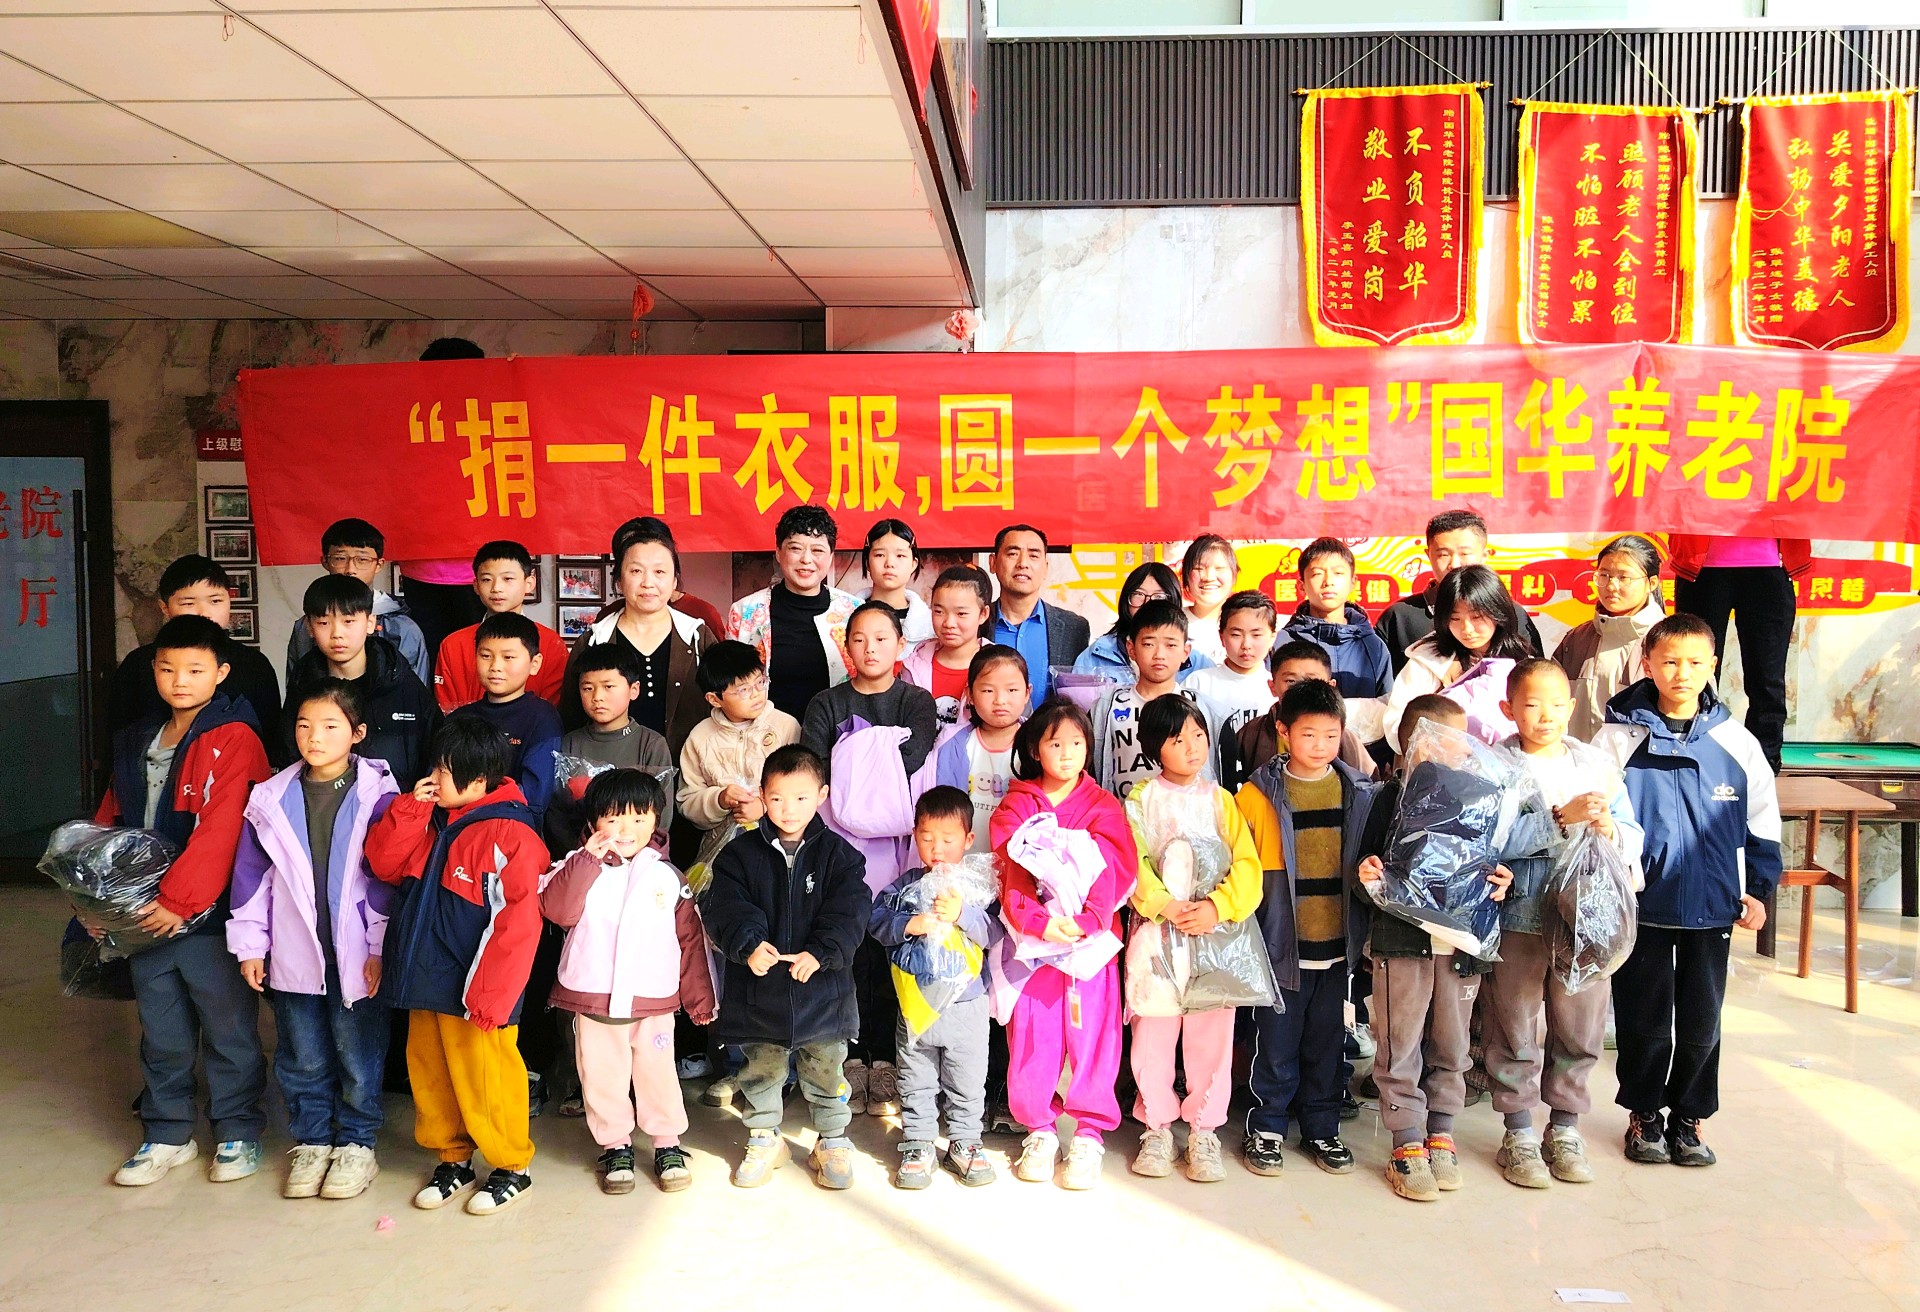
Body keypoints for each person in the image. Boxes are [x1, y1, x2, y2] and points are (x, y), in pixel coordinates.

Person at [95, 615, 272, 1188]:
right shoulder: (138, 737)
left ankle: (237, 1130)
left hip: (207, 916)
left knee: (228, 1029)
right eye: (168, 669)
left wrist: (179, 900)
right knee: (161, 1030)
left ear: (221, 673)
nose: (179, 681)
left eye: (195, 670)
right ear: (153, 670)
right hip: (143, 914)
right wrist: (99, 903)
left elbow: (223, 829)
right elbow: (111, 820)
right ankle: (168, 1132)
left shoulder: (234, 737)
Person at [1599, 614, 1781, 1169]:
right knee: (1643, 1019)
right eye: (1669, 661)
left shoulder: (1736, 741)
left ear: (1713, 666)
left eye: (1695, 662)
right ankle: (1644, 1115)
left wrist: (1758, 889)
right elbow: (1598, 818)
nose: (1682, 673)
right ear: (1647, 664)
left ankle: (1689, 1117)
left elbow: (1762, 822)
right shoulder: (1616, 739)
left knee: (1703, 1021)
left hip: (1713, 905)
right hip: (1641, 904)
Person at [365, 716, 548, 1216]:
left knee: (487, 1075)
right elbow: (383, 864)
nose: (435, 778)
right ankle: (452, 1158)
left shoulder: (512, 834)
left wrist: (493, 995)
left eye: (446, 771)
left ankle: (512, 1166)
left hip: (476, 987)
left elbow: (518, 924)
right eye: (435, 767)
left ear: (480, 778)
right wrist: (411, 809)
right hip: (424, 977)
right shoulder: (431, 819)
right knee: (431, 1074)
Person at [227, 680, 399, 1200]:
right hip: (295, 951)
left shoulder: (379, 796)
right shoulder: (270, 797)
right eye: (304, 726)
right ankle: (313, 1141)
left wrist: (378, 948)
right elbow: (250, 878)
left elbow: (386, 880)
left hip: (356, 954)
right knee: (302, 1055)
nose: (314, 737)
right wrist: (251, 945)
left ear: (357, 733)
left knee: (358, 1056)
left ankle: (358, 1144)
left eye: (329, 726)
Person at [1488, 659, 1642, 1190]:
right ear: (1508, 709)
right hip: (1520, 915)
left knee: (1580, 1026)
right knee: (1514, 1024)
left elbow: (1632, 831)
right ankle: (1518, 1132)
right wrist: (1559, 819)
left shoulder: (1595, 764)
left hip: (1586, 919)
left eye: (1556, 704)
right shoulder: (1495, 765)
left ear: (1572, 707)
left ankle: (1565, 1127)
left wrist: (1609, 828)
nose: (1545, 715)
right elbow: (1489, 837)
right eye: (1531, 704)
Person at [1354, 694, 1513, 1202]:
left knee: (1452, 1042)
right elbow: (1364, 865)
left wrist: (1504, 881)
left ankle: (1441, 1132)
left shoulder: (1483, 797)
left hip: (1460, 945)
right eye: (1451, 741)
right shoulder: (1390, 797)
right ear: (1416, 745)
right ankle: (1405, 1140)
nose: (1462, 751)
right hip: (1402, 944)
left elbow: (1496, 862)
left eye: (1464, 742)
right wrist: (1368, 874)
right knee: (1398, 1042)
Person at [701, 745, 873, 1191]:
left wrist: (822, 952)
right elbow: (726, 905)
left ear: (822, 795)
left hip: (823, 990)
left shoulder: (840, 855)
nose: (788, 809)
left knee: (827, 1069)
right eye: (777, 798)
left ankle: (832, 1140)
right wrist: (748, 945)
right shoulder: (739, 855)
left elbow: (850, 911)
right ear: (762, 795)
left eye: (801, 798)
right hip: (760, 990)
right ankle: (764, 1137)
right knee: (760, 1067)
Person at [540, 769, 717, 1196]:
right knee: (601, 1076)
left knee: (658, 1074)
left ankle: (666, 1142)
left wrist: (698, 998)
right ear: (594, 821)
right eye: (614, 818)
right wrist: (586, 860)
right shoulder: (575, 866)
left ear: (656, 820)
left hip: (652, 1001)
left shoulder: (668, 877)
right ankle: (615, 1145)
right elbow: (557, 910)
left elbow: (690, 941)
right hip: (594, 999)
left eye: (639, 818)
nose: (626, 829)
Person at [1235, 678, 1380, 1178]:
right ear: (1283, 731)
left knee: (1326, 1044)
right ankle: (1267, 1126)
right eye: (1308, 735)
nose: (1320, 746)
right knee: (1275, 1044)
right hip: (1281, 948)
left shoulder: (1358, 793)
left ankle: (1322, 1127)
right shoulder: (1256, 796)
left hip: (1336, 950)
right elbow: (1244, 870)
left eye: (1331, 736)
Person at [992, 698, 1138, 1191]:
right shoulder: (1017, 805)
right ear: (1035, 749)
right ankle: (1039, 1128)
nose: (1068, 753)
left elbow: (1117, 868)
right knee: (1034, 1036)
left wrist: (1090, 919)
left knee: (1092, 1035)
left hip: (1089, 946)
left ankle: (1090, 1133)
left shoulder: (1102, 805)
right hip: (1035, 945)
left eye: (1077, 743)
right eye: (1056, 744)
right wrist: (1038, 922)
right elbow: (1011, 874)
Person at [802, 601, 940, 1118]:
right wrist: (870, 755)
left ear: (900, 645)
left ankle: (885, 1058)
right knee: (848, 952)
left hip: (901, 848)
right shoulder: (826, 702)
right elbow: (818, 766)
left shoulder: (916, 701)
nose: (870, 648)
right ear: (847, 648)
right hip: (840, 846)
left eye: (882, 638)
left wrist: (855, 754)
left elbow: (913, 757)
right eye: (859, 639)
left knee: (892, 951)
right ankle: (852, 1058)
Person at [1123, 696, 1262, 1184]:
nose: (1192, 747)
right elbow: (1132, 860)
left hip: (1212, 937)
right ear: (1153, 748)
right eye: (1177, 739)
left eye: (1198, 736)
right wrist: (1162, 904)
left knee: (1211, 1038)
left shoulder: (1221, 800)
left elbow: (1247, 866)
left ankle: (1204, 1131)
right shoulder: (1140, 800)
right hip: (1157, 939)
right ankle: (1156, 1127)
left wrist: (1218, 907)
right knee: (1153, 1036)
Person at [869, 786, 1001, 1189]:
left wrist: (963, 913)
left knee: (967, 1079)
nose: (937, 848)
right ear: (915, 836)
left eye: (947, 839)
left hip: (967, 1006)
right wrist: (909, 924)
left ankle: (965, 1141)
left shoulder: (976, 886)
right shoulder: (906, 887)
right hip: (917, 1006)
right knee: (916, 1077)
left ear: (968, 839)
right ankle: (918, 1142)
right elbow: (875, 920)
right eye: (927, 838)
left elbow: (994, 933)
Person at [568, 519, 715, 757]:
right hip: (611, 774)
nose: (648, 583)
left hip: (687, 771)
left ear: (674, 581)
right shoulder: (594, 640)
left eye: (659, 572)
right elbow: (571, 716)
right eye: (636, 571)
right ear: (619, 580)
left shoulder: (697, 636)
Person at [280, 574, 440, 789]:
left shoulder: (401, 681)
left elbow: (435, 758)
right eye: (324, 623)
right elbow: (288, 760)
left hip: (396, 806)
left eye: (348, 621)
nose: (337, 634)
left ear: (370, 623)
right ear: (309, 627)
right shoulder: (303, 686)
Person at [1668, 535, 1805, 773]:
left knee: (1767, 678)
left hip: (1769, 565)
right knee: (1694, 673)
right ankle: (1691, 755)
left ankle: (1763, 766)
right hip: (1702, 567)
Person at [108, 554, 281, 738]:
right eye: (189, 603)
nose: (203, 613)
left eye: (216, 601)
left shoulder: (254, 665)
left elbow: (269, 736)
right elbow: (119, 735)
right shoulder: (138, 664)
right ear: (165, 608)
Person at [396, 336, 489, 658]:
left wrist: (516, 378)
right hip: (422, 567)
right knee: (430, 660)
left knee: (481, 658)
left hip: (478, 570)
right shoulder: (407, 418)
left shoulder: (492, 415)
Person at [1381, 564, 1534, 752]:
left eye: (1477, 617)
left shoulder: (1522, 662)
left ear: (1498, 612)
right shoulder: (1428, 661)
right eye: (1455, 619)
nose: (1467, 629)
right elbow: (1396, 724)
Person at [728, 504, 860, 720]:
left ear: (830, 556)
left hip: (839, 733)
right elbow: (731, 684)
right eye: (796, 548)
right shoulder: (745, 612)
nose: (806, 559)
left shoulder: (853, 611)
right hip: (765, 735)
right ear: (779, 553)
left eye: (817, 550)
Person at [1374, 510, 1544, 673]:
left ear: (1484, 555)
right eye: (1443, 555)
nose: (1454, 564)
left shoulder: (1511, 614)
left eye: (1465, 554)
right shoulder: (1399, 617)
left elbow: (1536, 676)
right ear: (1429, 555)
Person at [544, 645, 675, 855]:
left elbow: (662, 816)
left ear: (634, 690)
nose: (597, 697)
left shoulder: (651, 744)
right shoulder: (568, 743)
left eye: (608, 686)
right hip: (580, 859)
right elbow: (557, 814)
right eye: (588, 688)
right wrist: (584, 854)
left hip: (637, 860)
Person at [286, 517, 430, 686]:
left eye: (362, 560)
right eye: (340, 558)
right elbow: (296, 685)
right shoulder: (306, 626)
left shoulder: (402, 626)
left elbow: (416, 691)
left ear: (379, 564)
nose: (350, 570)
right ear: (325, 561)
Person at [1554, 534, 1668, 742]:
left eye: (1624, 578)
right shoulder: (1576, 639)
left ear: (1651, 583)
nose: (1611, 586)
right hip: (1580, 758)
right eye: (1604, 575)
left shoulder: (1671, 642)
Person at [432, 541, 570, 712]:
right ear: (476, 586)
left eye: (508, 579)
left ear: (529, 583)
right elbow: (447, 710)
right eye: (486, 579)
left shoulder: (550, 643)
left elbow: (554, 709)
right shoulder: (453, 644)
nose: (496, 588)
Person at [1089, 599, 1202, 800]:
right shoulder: (1107, 706)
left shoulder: (1199, 706)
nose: (1159, 655)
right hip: (1122, 815)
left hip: (1185, 816)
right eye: (1149, 644)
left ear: (1186, 652)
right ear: (1131, 648)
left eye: (1171, 645)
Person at [449, 612, 564, 806]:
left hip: (514, 820)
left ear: (534, 664)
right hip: (456, 822)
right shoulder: (459, 719)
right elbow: (441, 784)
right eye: (486, 656)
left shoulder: (543, 719)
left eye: (508, 657)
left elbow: (535, 796)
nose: (495, 666)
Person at [1235, 640, 1376, 785]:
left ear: (1330, 686)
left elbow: (1365, 787)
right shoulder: (1251, 734)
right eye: (1290, 681)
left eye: (1312, 680)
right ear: (1272, 687)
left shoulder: (1343, 738)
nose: (1301, 688)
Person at [934, 645, 1030, 852]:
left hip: (1018, 864)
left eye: (1012, 690)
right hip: (964, 863)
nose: (1000, 700)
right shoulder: (954, 744)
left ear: (1027, 693)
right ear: (969, 694)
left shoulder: (1036, 745)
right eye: (987, 690)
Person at [1185, 589, 1281, 788]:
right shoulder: (1198, 684)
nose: (1246, 645)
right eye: (1236, 635)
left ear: (1273, 636)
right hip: (1208, 791)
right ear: (1222, 637)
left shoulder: (1276, 687)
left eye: (1256, 635)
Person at [989, 524, 1090, 710]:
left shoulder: (1074, 628)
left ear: (1046, 567)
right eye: (1013, 554)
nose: (1023, 563)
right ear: (993, 563)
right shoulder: (977, 623)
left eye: (1033, 555)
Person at [1285, 537, 1392, 704]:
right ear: (1301, 586)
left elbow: (1387, 706)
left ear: (1353, 582)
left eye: (1338, 573)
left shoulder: (1373, 646)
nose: (1328, 582)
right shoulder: (1284, 642)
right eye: (1317, 573)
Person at [1072, 560, 1214, 685]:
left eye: (1159, 596)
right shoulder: (1097, 655)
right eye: (1139, 594)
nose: (1148, 602)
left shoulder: (1197, 663)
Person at [902, 564, 993, 732]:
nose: (949, 623)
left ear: (983, 614)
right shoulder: (912, 667)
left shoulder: (999, 666)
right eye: (939, 611)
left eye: (961, 614)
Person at [859, 517, 933, 645]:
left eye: (900, 555)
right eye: (880, 555)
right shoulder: (842, 618)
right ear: (867, 563)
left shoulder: (931, 625)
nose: (890, 563)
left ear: (913, 564)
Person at [1179, 534, 1240, 664]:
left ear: (1234, 575)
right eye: (1199, 569)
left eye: (1219, 569)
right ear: (1186, 576)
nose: (1209, 577)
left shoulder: (1250, 622)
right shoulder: (1171, 622)